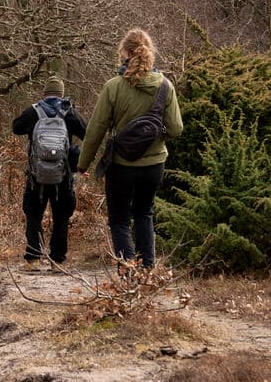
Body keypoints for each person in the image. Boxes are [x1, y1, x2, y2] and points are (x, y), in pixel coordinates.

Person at [77, 29, 182, 268]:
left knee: (120, 220)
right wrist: (155, 136)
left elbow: (96, 130)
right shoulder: (165, 86)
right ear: (150, 53)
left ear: (124, 52)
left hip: (121, 164)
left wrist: (83, 163)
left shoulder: (113, 87)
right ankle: (147, 271)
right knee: (145, 214)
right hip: (155, 163)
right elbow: (176, 129)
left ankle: (128, 277)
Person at [12, 76, 86, 267]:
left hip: (36, 176)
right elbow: (87, 131)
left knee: (34, 214)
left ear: (44, 93)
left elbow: (16, 128)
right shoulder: (70, 112)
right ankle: (58, 259)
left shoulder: (33, 111)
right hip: (64, 175)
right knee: (61, 215)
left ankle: (34, 257)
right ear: (62, 93)